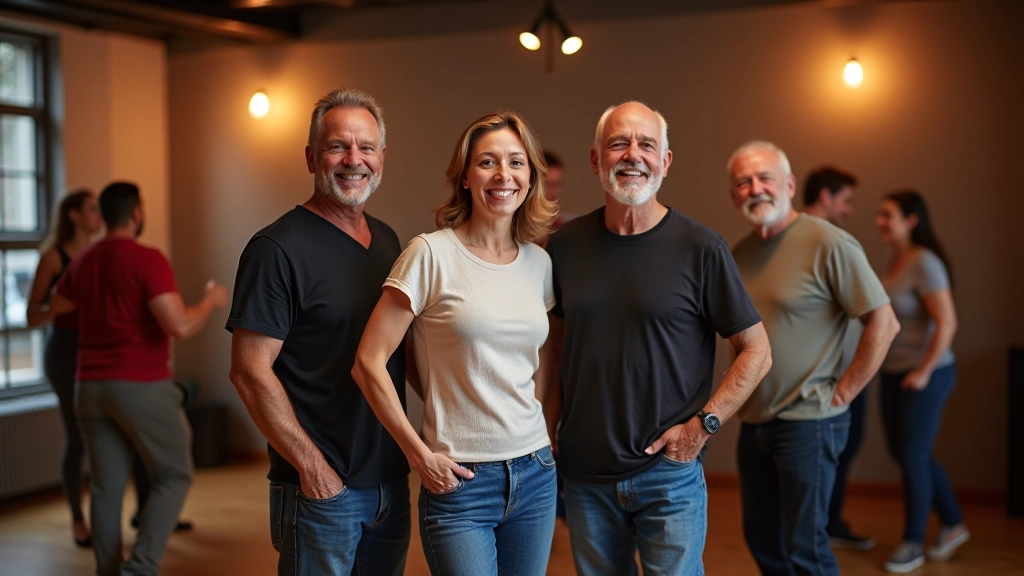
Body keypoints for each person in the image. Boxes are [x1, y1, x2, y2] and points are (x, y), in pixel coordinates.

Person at [545, 101, 772, 575]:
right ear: (595, 160)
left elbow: (757, 350)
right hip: (585, 475)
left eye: (647, 144)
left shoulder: (702, 248)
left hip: (669, 473)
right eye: (618, 143)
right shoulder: (564, 247)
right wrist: (548, 429)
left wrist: (702, 426)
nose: (633, 155)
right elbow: (557, 348)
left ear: (665, 161)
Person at [352, 111, 559, 576]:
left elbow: (538, 356)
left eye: (516, 162)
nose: (503, 175)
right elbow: (369, 362)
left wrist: (543, 427)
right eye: (487, 162)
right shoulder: (430, 253)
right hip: (459, 480)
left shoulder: (539, 264)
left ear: (530, 177)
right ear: (465, 177)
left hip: (535, 473)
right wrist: (417, 452)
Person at [227, 89, 411, 576]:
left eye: (367, 148)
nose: (354, 160)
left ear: (382, 158)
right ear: (311, 157)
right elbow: (248, 372)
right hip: (321, 490)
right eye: (337, 147)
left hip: (390, 484)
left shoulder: (389, 240)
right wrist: (312, 468)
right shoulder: (276, 249)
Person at [727, 140, 899, 576]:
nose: (755, 189)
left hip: (810, 421)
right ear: (734, 195)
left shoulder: (829, 241)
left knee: (805, 548)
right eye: (743, 182)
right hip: (755, 421)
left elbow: (884, 322)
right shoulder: (736, 254)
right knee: (762, 541)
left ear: (789, 184)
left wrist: (846, 390)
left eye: (765, 178)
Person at [50, 181, 228, 576]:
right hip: (140, 384)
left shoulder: (82, 262)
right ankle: (140, 569)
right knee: (174, 473)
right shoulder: (147, 259)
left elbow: (55, 306)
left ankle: (109, 571)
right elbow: (179, 325)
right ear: (136, 214)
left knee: (104, 487)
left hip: (89, 387)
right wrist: (210, 302)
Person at [875, 190, 968, 573]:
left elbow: (947, 322)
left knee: (912, 456)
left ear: (911, 220)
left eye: (887, 215)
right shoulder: (898, 261)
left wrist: (924, 371)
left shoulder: (926, 263)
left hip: (927, 372)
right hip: (895, 372)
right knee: (907, 454)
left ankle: (912, 543)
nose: (879, 221)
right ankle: (953, 522)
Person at [803, 165, 876, 550]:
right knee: (832, 454)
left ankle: (827, 525)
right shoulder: (831, 241)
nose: (849, 210)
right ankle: (820, 531)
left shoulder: (825, 241)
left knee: (843, 451)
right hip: (834, 379)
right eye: (845, 201)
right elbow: (882, 320)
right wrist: (848, 387)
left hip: (843, 375)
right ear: (826, 197)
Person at [26, 189, 104, 547]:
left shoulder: (100, 254)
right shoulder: (53, 258)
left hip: (98, 350)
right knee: (77, 438)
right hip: (64, 353)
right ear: (73, 215)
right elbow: (31, 316)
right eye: (91, 208)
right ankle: (77, 519)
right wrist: (58, 306)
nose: (98, 214)